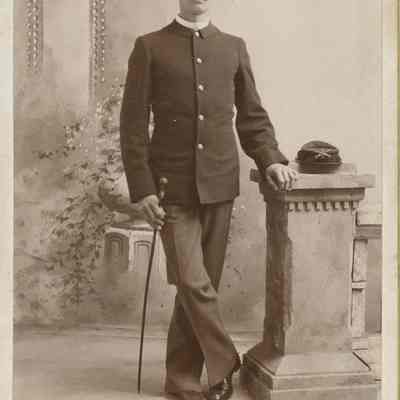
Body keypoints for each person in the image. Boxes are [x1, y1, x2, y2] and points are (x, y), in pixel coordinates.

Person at [119, 1, 298, 399]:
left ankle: (182, 378)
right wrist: (143, 188)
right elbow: (132, 125)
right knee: (192, 281)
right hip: (170, 188)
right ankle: (227, 360)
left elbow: (252, 117)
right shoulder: (150, 47)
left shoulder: (233, 47)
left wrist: (269, 159)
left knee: (201, 287)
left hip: (220, 185)